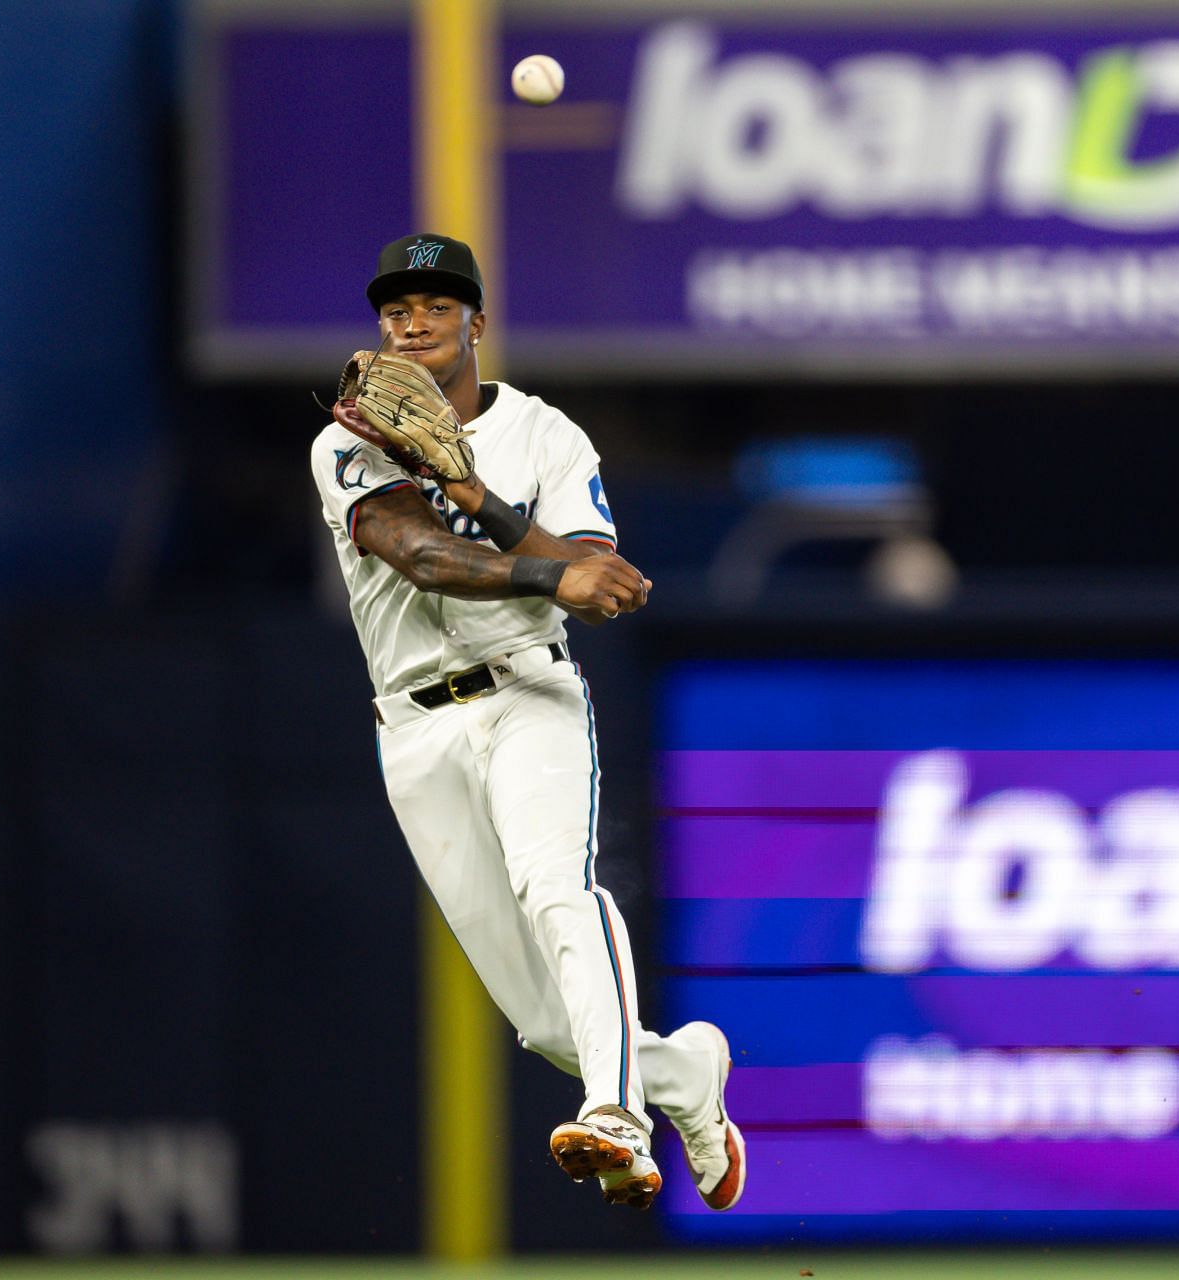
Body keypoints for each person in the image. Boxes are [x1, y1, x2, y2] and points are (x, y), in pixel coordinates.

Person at [308, 232, 745, 1212]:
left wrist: (477, 493)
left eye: (434, 303)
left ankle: (620, 1117)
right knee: (545, 1018)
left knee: (559, 888)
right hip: (413, 727)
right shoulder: (345, 439)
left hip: (524, 692)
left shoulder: (547, 435)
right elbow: (417, 553)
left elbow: (606, 584)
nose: (411, 320)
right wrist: (542, 564)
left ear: (477, 322)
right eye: (395, 308)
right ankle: (684, 1075)